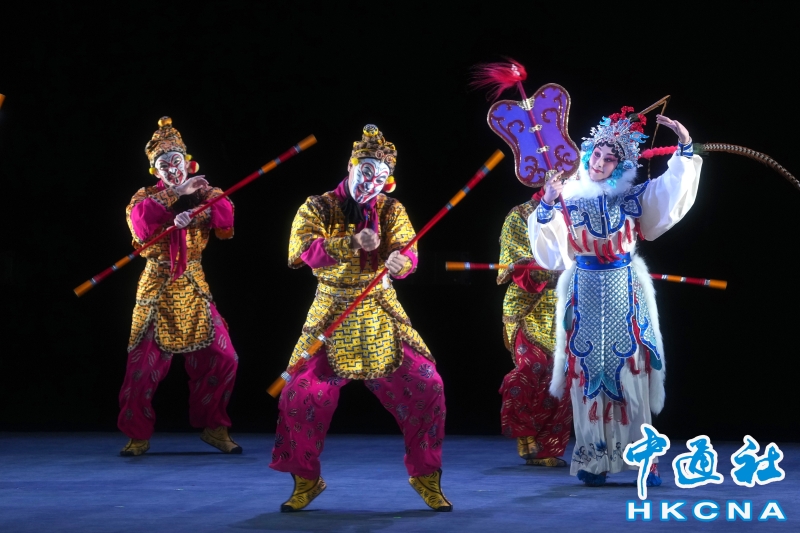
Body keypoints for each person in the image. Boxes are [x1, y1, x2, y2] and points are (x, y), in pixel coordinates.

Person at [269, 125, 451, 512]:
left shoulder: (391, 209)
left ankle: (426, 475)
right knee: (298, 394)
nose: (371, 183)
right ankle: (306, 480)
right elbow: (302, 251)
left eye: (380, 178)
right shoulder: (316, 207)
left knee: (428, 386)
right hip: (331, 311)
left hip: (380, 310)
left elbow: (407, 249)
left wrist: (402, 261)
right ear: (351, 167)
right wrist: (351, 242)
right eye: (366, 173)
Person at [529, 109, 702, 486]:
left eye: (610, 158)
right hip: (585, 292)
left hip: (625, 291)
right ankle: (594, 460)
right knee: (587, 373)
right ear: (587, 154)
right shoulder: (567, 198)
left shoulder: (632, 198)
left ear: (620, 165)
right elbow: (550, 250)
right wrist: (548, 202)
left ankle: (643, 460)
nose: (600, 162)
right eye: (596, 154)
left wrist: (685, 146)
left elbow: (670, 191)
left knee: (630, 372)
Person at [117, 117, 241, 456]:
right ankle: (137, 434)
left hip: (193, 285)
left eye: (176, 162)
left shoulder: (205, 190)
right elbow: (140, 225)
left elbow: (225, 216)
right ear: (155, 171)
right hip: (157, 287)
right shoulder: (144, 196)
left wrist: (199, 208)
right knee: (142, 368)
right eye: (164, 166)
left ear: (187, 161)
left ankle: (214, 426)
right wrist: (177, 196)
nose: (173, 169)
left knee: (225, 358)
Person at [498, 189, 572, 467]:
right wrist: (546, 268)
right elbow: (516, 259)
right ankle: (524, 430)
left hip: (566, 306)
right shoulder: (520, 214)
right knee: (533, 365)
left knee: (563, 376)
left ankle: (545, 448)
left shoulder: (578, 212)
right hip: (528, 305)